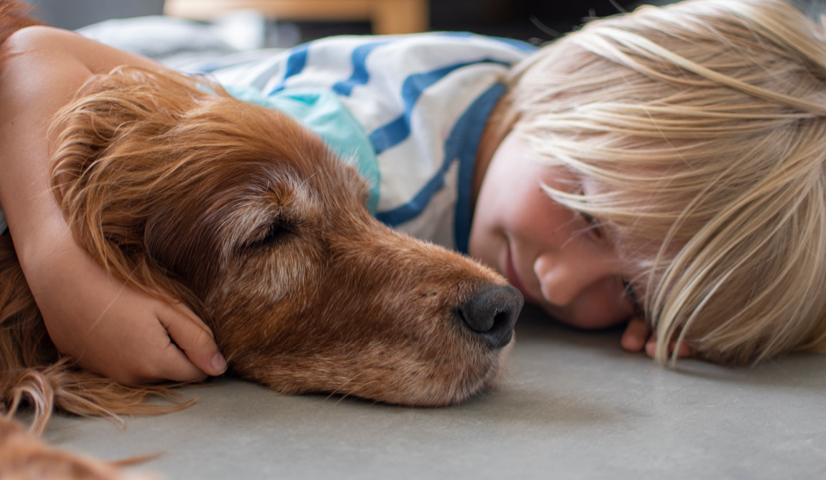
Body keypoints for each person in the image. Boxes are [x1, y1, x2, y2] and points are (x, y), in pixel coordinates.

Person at [1, 0, 824, 389]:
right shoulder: (357, 139)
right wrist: (62, 263)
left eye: (633, 291)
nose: (557, 282)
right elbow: (31, 55)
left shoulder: (570, 114)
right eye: (586, 215)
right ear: (557, 91)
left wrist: (703, 307)